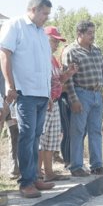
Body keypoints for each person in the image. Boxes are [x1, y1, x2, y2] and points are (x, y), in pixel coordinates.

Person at [0, 0, 55, 198]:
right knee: (27, 136)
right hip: (24, 92)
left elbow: (44, 65)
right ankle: (25, 183)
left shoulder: (41, 33)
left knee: (35, 138)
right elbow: (4, 53)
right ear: (32, 9)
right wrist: (10, 85)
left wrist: (48, 94)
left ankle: (33, 178)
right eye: (44, 13)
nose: (46, 18)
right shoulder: (15, 26)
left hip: (41, 94)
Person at [62, 20, 103, 177]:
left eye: (93, 32)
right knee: (77, 131)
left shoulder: (97, 50)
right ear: (80, 34)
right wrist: (73, 99)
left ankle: (97, 165)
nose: (93, 36)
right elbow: (68, 79)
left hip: (97, 95)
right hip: (81, 94)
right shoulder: (71, 51)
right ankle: (76, 166)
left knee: (96, 131)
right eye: (89, 33)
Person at [38, 26, 78, 181]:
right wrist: (46, 97)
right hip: (45, 102)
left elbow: (58, 81)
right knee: (41, 140)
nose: (56, 45)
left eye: (57, 41)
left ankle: (49, 173)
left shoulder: (53, 59)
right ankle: (37, 174)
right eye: (54, 41)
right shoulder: (41, 57)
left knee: (51, 139)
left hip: (54, 101)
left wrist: (69, 73)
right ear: (45, 39)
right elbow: (40, 80)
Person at [0, 71, 19, 179]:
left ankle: (15, 168)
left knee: (15, 134)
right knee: (13, 135)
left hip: (12, 103)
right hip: (3, 102)